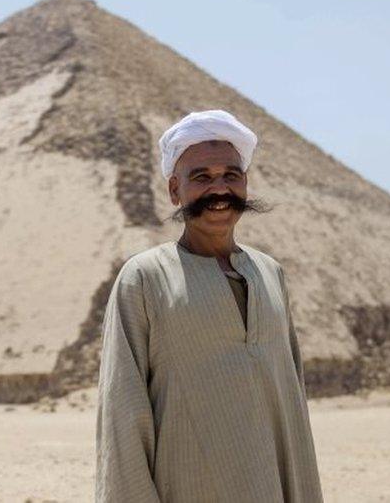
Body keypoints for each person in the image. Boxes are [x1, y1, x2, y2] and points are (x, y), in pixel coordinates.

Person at [95, 110, 324, 502]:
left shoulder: (270, 273)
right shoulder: (145, 277)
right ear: (174, 190)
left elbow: (292, 408)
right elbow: (122, 413)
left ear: (245, 183)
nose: (219, 189)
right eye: (201, 177)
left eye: (230, 175)